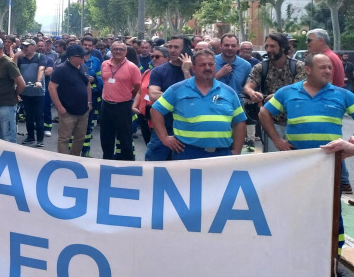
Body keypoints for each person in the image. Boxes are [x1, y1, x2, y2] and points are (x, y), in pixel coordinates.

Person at [262, 53, 350, 255]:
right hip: (296, 163)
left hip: (330, 163)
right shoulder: (287, 93)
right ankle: (296, 250)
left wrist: (351, 145)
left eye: (330, 67)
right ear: (308, 70)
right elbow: (264, 113)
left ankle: (333, 254)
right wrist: (277, 140)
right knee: (296, 206)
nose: (328, 71)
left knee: (331, 209)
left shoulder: (342, 95)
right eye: (323, 67)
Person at [150, 51, 246, 160]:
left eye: (210, 64)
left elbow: (239, 122)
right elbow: (155, 110)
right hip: (187, 153)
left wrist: (237, 151)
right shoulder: (177, 89)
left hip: (222, 154)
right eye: (202, 65)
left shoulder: (229, 92)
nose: (207, 68)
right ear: (193, 68)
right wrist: (164, 138)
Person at [242, 32, 305, 152]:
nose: (268, 50)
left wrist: (277, 96)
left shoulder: (298, 66)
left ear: (282, 47)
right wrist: (252, 93)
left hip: (296, 121)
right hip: (270, 121)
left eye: (272, 46)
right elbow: (247, 86)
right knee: (273, 160)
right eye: (267, 46)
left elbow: (299, 89)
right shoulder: (261, 67)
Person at [146, 35, 193, 161]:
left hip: (189, 128)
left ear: (186, 50)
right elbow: (153, 95)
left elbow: (195, 98)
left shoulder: (196, 70)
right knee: (154, 165)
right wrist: (182, 96)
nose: (171, 50)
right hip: (163, 127)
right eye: (170, 47)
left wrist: (186, 72)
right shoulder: (158, 71)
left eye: (176, 47)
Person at [99, 41, 141, 160]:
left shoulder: (132, 67)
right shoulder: (104, 64)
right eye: (115, 49)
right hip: (106, 106)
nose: (118, 51)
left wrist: (126, 96)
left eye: (121, 49)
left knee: (125, 139)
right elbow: (105, 80)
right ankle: (107, 162)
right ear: (111, 51)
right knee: (106, 138)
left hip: (123, 107)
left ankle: (127, 164)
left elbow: (137, 88)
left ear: (126, 52)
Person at [49, 44, 91, 155]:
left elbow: (88, 85)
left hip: (83, 110)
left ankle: (74, 159)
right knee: (64, 138)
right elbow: (52, 87)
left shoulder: (83, 67)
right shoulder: (61, 69)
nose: (84, 58)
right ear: (72, 57)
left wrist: (89, 103)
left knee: (80, 138)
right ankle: (64, 161)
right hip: (67, 111)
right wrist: (59, 107)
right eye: (81, 56)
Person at [0, 37, 26, 143]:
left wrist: (14, 94)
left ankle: (9, 159)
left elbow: (21, 84)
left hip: (6, 106)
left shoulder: (8, 63)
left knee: (8, 137)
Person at [134, 46, 169, 145]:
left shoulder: (168, 74)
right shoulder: (147, 72)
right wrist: (134, 105)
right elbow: (140, 91)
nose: (153, 59)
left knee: (157, 146)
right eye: (152, 56)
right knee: (148, 143)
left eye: (157, 57)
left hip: (158, 116)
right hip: (144, 114)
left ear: (166, 58)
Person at [17, 39, 47, 147]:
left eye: (27, 46)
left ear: (34, 47)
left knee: (38, 115)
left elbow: (41, 69)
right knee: (28, 116)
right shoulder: (21, 58)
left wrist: (38, 81)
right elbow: (16, 70)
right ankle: (30, 137)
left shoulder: (40, 57)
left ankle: (40, 139)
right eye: (24, 46)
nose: (25, 48)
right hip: (25, 92)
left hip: (38, 92)